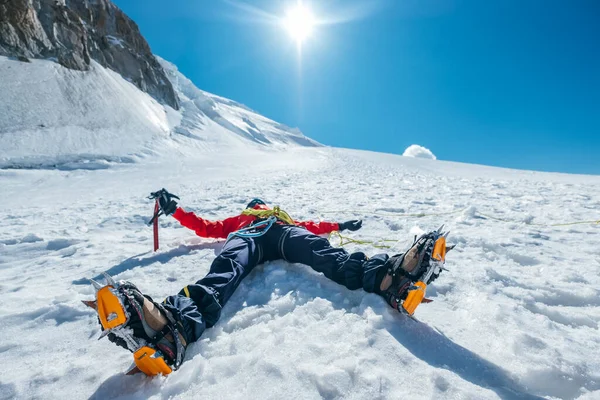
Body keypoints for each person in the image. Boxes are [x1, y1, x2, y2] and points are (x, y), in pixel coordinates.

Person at [86, 189, 450, 376]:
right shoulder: (240, 221)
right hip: (251, 240)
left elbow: (314, 229)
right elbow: (205, 228)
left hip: (282, 234)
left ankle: (390, 279)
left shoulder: (281, 217)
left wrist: (340, 226)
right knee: (227, 264)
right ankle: (170, 330)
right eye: (254, 204)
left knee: (319, 250)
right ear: (250, 207)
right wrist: (175, 210)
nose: (257, 204)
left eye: (260, 203)